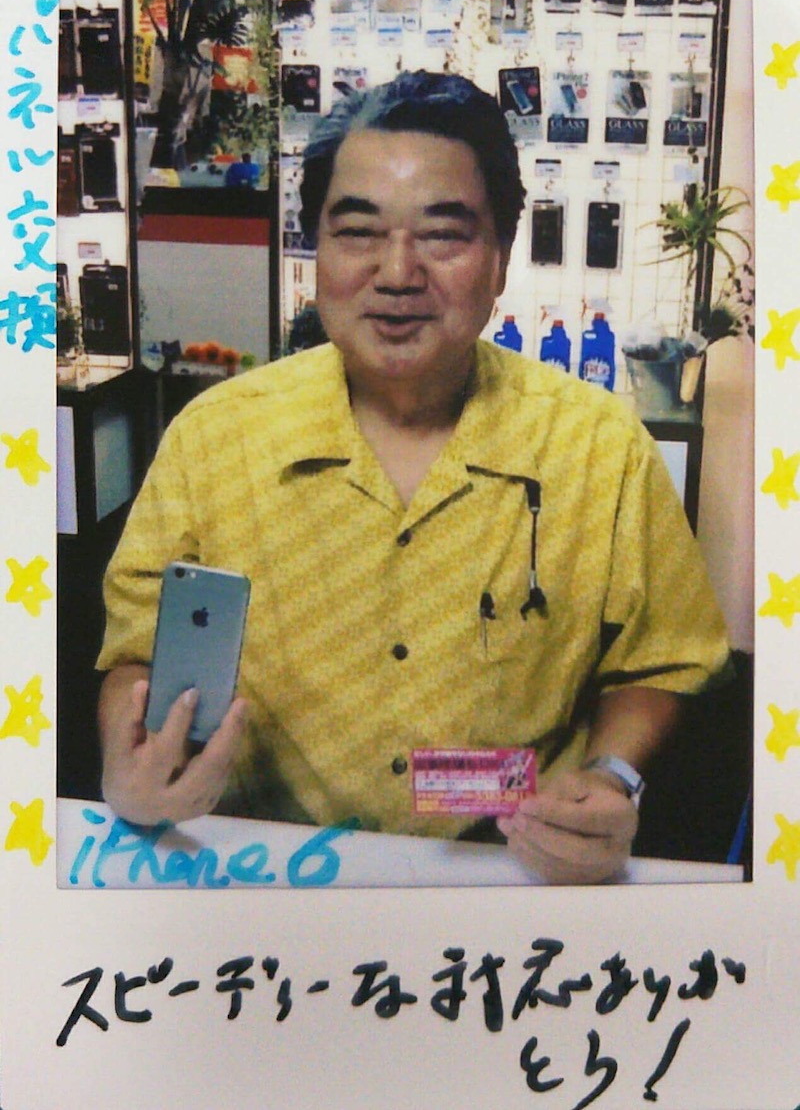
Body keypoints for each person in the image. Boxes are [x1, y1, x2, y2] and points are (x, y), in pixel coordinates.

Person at [97, 71, 730, 885]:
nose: (397, 272)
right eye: (359, 231)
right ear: (317, 250)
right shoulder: (214, 438)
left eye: (443, 235)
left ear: (499, 259)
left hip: (505, 870)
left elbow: (664, 660)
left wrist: (612, 776)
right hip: (262, 869)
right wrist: (127, 759)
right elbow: (135, 647)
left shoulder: (600, 447)